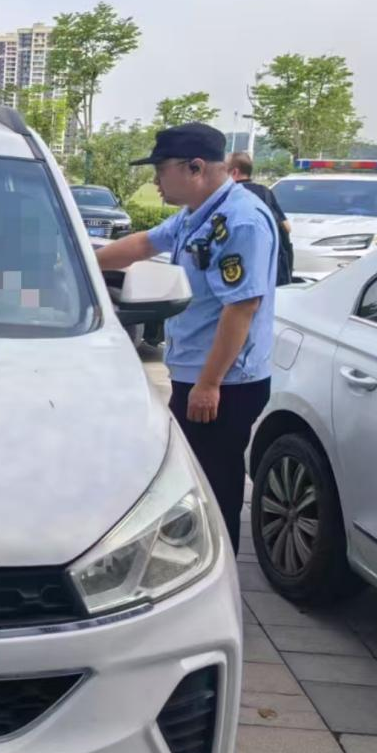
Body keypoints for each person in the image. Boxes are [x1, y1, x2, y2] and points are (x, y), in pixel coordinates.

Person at [95, 123, 277, 549]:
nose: (156, 181)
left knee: (214, 489)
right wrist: (77, 263)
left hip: (223, 383)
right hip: (197, 373)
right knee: (193, 482)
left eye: (161, 170)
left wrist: (209, 384)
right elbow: (144, 244)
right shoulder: (200, 214)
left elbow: (242, 307)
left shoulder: (240, 221)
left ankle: (216, 570)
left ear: (195, 167)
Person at [229, 152, 293, 285]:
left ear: (234, 172)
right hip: (268, 265)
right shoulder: (264, 192)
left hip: (236, 267)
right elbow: (287, 227)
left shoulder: (228, 194)